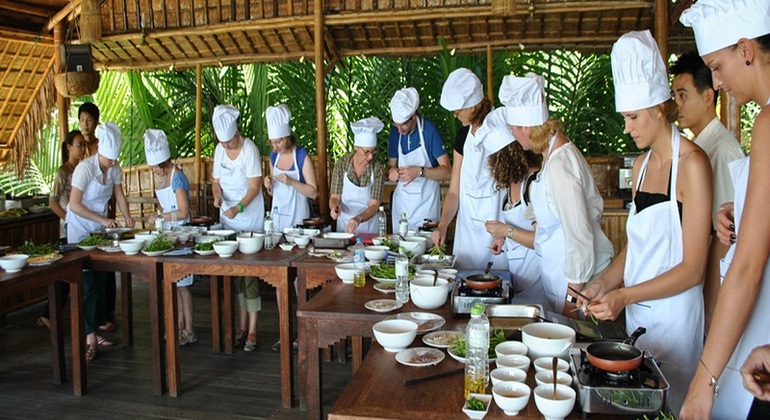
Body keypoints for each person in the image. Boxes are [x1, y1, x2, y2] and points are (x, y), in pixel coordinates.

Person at [579, 30, 712, 414]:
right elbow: (637, 245)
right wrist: (604, 282)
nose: (628, 127)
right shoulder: (639, 167)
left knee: (671, 406)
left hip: (675, 321)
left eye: (633, 117)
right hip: (639, 318)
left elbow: (693, 269)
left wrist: (624, 295)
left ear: (658, 107)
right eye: (625, 117)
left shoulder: (693, 165)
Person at [678, 1, 770, 418]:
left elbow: (748, 266)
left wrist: (703, 383)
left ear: (746, 50)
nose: (717, 81)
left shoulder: (768, 123)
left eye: (717, 66)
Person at [498, 73, 613, 315]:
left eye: (514, 129)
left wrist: (571, 301)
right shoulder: (550, 157)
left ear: (527, 127)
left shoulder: (561, 164)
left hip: (581, 288)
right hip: (563, 284)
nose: (513, 137)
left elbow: (579, 238)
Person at [670, 51, 746, 332]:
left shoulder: (721, 150)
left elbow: (725, 237)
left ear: (707, 96)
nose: (676, 104)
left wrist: (711, 305)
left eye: (683, 95)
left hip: (715, 287)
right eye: (674, 96)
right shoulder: (698, 148)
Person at [67, 122, 135, 361]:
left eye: (115, 160)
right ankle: (89, 337)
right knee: (87, 285)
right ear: (100, 153)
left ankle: (95, 330)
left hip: (99, 230)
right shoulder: (84, 169)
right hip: (79, 230)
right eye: (109, 160)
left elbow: (119, 194)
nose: (112, 164)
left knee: (101, 282)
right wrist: (102, 219)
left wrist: (127, 217)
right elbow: (74, 204)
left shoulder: (114, 169)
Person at [430, 68, 507, 271]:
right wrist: (443, 225)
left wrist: (507, 231)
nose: (455, 115)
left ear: (473, 105)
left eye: (458, 110)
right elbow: (454, 191)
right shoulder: (463, 137)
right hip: (468, 233)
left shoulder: (500, 132)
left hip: (497, 232)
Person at [211, 104, 265, 352]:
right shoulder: (219, 150)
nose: (226, 146)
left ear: (236, 134)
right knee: (234, 276)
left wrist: (239, 208)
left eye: (229, 142)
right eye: (222, 143)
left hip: (249, 218)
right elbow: (215, 182)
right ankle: (241, 325)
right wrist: (217, 197)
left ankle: (253, 328)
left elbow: (254, 188)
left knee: (249, 275)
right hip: (227, 219)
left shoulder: (249, 149)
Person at [480, 107, 546, 306]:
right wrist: (502, 238)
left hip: (540, 281)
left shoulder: (534, 185)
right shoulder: (509, 187)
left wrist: (506, 230)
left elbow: (542, 240)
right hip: (521, 278)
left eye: (494, 159)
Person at [144, 129, 197, 346]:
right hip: (170, 235)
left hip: (181, 236)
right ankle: (178, 326)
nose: (154, 170)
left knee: (183, 285)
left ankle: (189, 329)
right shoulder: (167, 177)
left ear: (162, 163)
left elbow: (183, 211)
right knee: (175, 285)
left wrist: (159, 216)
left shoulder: (177, 178)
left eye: (154, 167)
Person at [38, 130, 86, 330]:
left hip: (82, 227)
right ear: (68, 148)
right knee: (67, 275)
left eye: (84, 144)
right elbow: (52, 202)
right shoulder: (63, 172)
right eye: (78, 144)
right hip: (68, 230)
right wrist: (69, 219)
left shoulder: (83, 169)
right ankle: (48, 314)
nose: (82, 148)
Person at [387, 87, 451, 232]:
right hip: (401, 207)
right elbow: (389, 167)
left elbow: (447, 171)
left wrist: (420, 172)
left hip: (426, 207)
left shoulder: (429, 131)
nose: (399, 130)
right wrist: (392, 171)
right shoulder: (395, 134)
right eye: (396, 125)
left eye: (403, 124)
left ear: (414, 116)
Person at [263, 104, 318, 231]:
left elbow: (313, 193)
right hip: (277, 221)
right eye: (272, 142)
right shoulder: (273, 157)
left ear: (287, 138)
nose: (275, 147)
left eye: (278, 142)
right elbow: (273, 193)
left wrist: (291, 182)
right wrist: (269, 186)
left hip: (298, 220)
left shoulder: (301, 155)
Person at [329, 117, 385, 234]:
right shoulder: (342, 164)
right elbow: (335, 197)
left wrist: (358, 218)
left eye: (373, 151)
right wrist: (334, 207)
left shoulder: (377, 168)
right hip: (344, 227)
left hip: (369, 228)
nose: (370, 157)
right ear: (356, 148)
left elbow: (374, 205)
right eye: (367, 152)